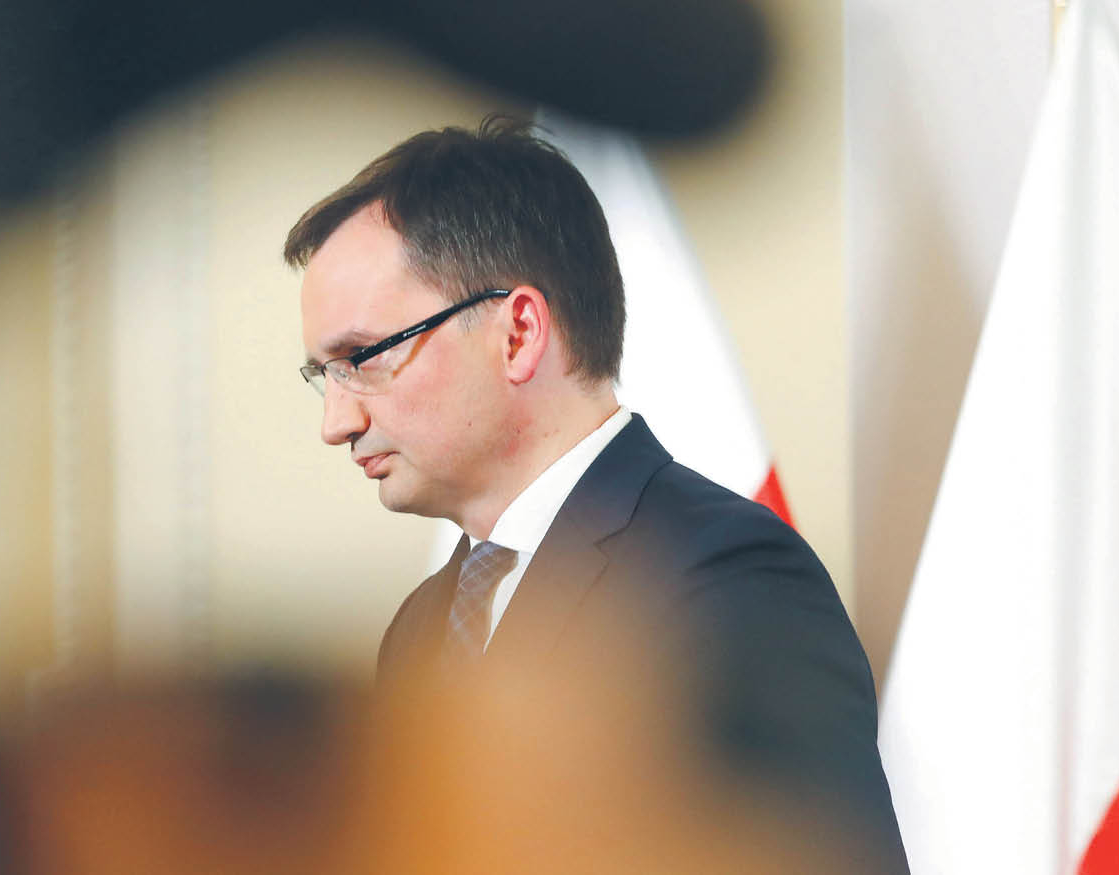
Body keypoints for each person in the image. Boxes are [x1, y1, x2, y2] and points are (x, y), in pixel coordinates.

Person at [284, 116, 909, 871]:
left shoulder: (729, 579)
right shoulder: (418, 631)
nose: (336, 422)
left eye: (361, 357)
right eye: (325, 374)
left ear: (518, 333)